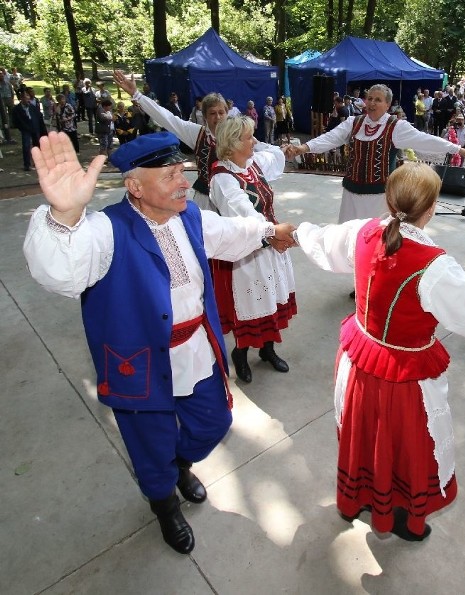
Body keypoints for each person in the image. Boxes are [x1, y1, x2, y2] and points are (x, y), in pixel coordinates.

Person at [22, 131, 297, 554]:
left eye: (181, 172)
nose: (184, 182)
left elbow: (230, 231)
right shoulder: (105, 230)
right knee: (148, 442)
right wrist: (65, 216)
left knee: (213, 423)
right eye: (170, 175)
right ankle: (164, 502)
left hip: (195, 349)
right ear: (135, 187)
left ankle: (179, 464)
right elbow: (62, 272)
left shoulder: (190, 217)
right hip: (140, 363)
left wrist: (268, 230)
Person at [290, 162, 465, 541]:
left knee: (362, 433)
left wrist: (296, 232)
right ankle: (394, 515)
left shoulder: (364, 231)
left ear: (388, 199)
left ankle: (357, 500)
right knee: (401, 447)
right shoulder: (435, 266)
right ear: (430, 209)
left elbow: (323, 242)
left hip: (358, 358)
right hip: (401, 376)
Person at [285, 84, 465, 224]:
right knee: (350, 237)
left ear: (387, 104)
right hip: (351, 193)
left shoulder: (396, 127)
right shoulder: (354, 122)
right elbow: (330, 138)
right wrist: (303, 148)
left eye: (378, 100)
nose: (372, 103)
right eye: (370, 98)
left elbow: (425, 140)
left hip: (380, 197)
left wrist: (458, 149)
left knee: (376, 239)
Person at [209, 116, 296, 382]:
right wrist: (271, 233)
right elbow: (243, 213)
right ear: (233, 143)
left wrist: (273, 236)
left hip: (269, 243)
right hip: (245, 253)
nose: (253, 141)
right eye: (248, 137)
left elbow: (273, 153)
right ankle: (241, 354)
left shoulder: (251, 164)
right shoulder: (222, 179)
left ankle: (267, 350)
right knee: (250, 303)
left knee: (271, 299)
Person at [114, 69, 228, 211]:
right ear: (204, 115)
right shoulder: (197, 133)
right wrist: (136, 95)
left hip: (231, 196)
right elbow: (167, 118)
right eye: (212, 113)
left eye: (221, 112)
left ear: (227, 113)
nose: (217, 117)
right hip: (206, 199)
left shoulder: (237, 134)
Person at [12, 88, 45, 171]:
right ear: (22, 99)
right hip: (25, 129)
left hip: (35, 128)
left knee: (37, 145)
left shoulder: (32, 107)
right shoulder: (17, 109)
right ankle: (27, 165)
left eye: (28, 98)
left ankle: (38, 162)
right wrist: (22, 128)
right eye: (26, 99)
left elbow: (39, 117)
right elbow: (16, 121)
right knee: (26, 146)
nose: (28, 100)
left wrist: (41, 129)